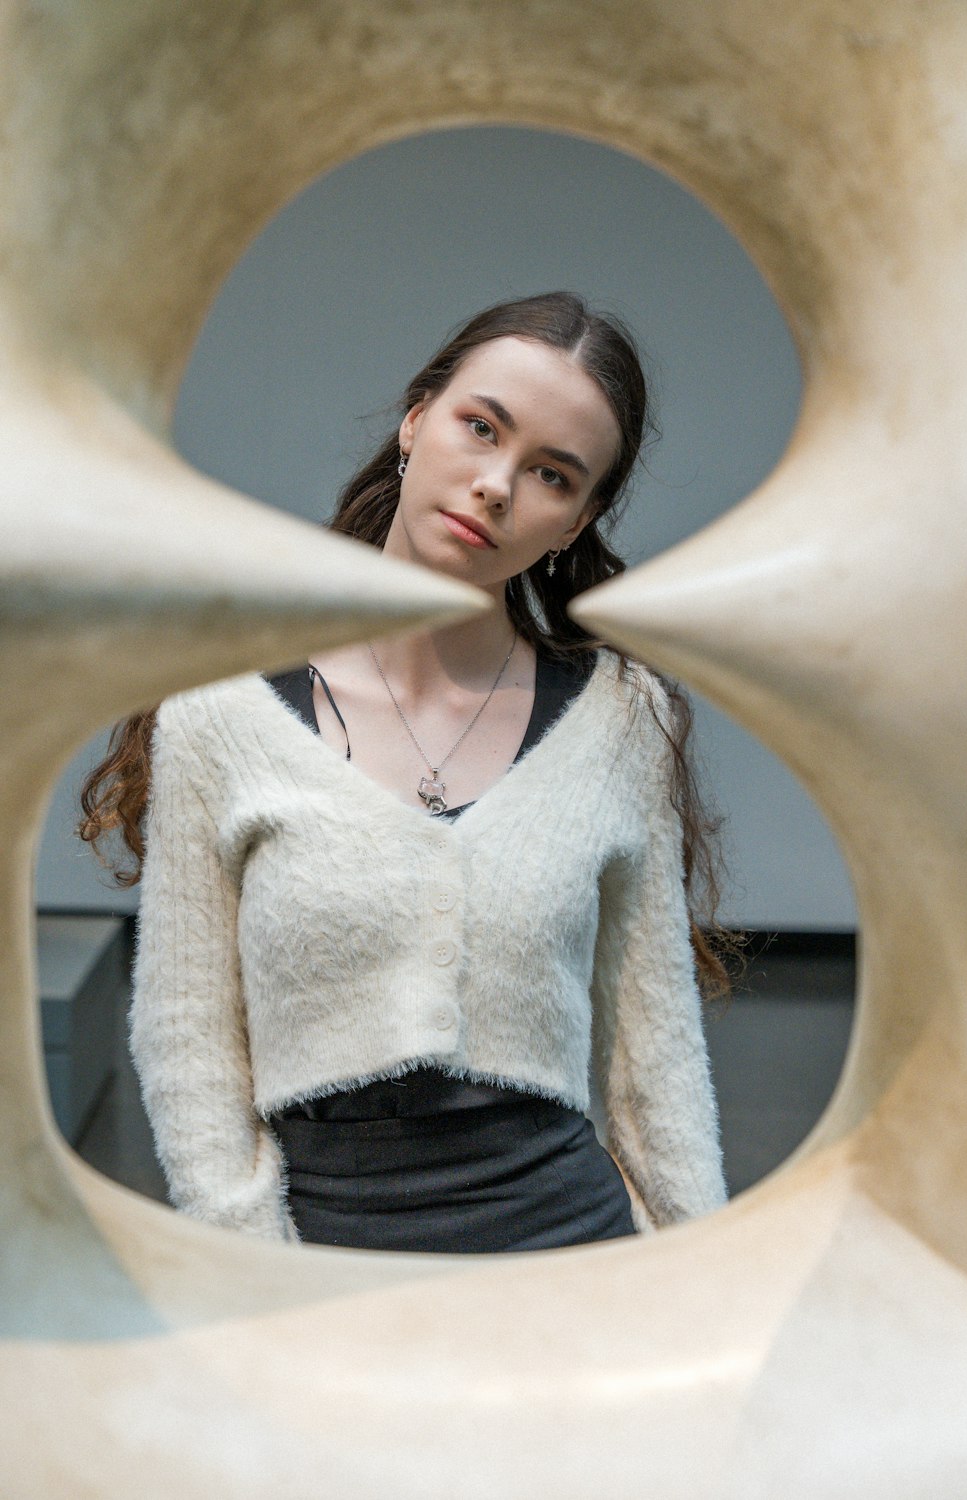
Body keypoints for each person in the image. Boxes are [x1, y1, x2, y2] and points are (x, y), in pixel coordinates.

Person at [79, 291, 731, 1254]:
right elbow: (189, 1037)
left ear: (576, 521)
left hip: (567, 1263)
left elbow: (656, 1052)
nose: (496, 485)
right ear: (416, 420)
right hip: (321, 1262)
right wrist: (256, 1277)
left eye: (552, 474)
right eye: (480, 428)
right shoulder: (221, 711)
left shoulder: (622, 715)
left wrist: (705, 1279)